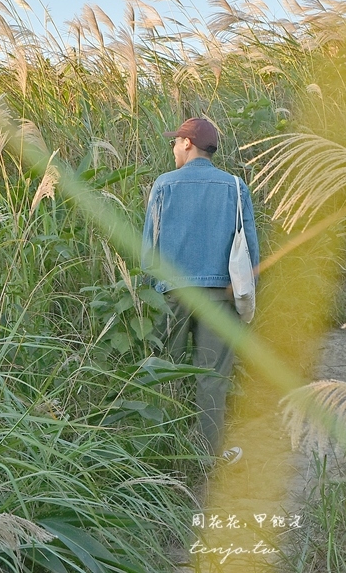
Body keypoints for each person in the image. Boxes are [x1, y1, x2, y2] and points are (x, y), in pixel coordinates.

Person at [140, 117, 259, 461]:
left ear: (188, 143)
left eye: (175, 142)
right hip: (220, 296)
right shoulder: (235, 186)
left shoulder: (164, 185)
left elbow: (150, 249)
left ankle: (161, 451)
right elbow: (250, 248)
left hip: (171, 294)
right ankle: (208, 455)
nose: (173, 148)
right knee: (211, 377)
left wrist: (150, 291)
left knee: (164, 370)